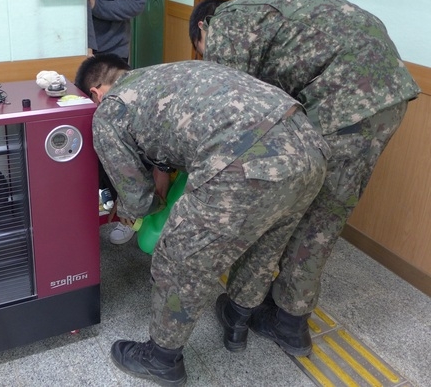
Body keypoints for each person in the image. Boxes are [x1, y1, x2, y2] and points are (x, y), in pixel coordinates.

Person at [189, 0, 421, 357]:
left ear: (204, 27)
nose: (207, 56)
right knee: (325, 216)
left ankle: (240, 308)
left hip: (340, 102)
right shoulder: (274, 15)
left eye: (202, 49)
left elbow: (230, 114)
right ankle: (291, 324)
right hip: (388, 98)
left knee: (277, 204)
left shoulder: (227, 23)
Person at [75, 54, 329, 385]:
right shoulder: (167, 70)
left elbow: (136, 197)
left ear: (95, 93)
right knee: (266, 242)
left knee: (179, 257)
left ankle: (161, 358)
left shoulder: (110, 110)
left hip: (246, 161)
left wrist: (152, 210)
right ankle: (237, 318)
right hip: (310, 146)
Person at [86, 0, 148, 244]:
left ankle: (127, 211)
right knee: (85, 136)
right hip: (77, 50)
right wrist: (86, 44)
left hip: (114, 52)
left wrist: (99, 6)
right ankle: (90, 207)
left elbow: (138, 2)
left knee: (119, 135)